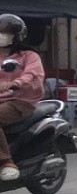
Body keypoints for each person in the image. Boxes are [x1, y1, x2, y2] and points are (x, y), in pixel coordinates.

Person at [0, 14, 46, 181]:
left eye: (6, 32)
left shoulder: (29, 55)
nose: (2, 35)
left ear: (17, 35)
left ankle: (6, 162)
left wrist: (15, 83)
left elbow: (33, 75)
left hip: (19, 102)